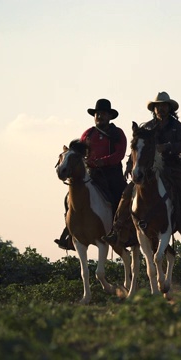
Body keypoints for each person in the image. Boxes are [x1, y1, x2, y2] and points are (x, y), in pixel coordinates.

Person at [103, 91, 181, 247]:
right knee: (127, 193)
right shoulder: (147, 127)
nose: (160, 109)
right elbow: (137, 148)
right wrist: (130, 165)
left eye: (163, 106)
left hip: (172, 167)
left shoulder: (177, 127)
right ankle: (118, 229)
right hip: (148, 169)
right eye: (158, 106)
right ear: (154, 109)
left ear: (169, 108)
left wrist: (168, 147)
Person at [54, 99, 127, 251]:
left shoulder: (117, 133)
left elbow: (119, 154)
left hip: (112, 174)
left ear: (109, 116)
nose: (100, 116)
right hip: (92, 174)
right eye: (97, 114)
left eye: (103, 114)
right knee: (69, 199)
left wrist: (103, 161)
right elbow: (80, 153)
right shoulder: (88, 134)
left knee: (120, 197)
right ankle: (70, 233)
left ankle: (117, 231)